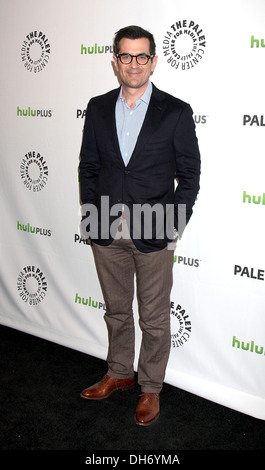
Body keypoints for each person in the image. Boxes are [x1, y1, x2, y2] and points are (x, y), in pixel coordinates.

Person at [79, 25, 200, 426]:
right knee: (116, 310)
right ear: (115, 60)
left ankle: (150, 389)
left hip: (155, 228)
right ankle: (118, 372)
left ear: (153, 61)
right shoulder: (97, 107)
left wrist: (173, 224)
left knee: (153, 316)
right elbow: (89, 167)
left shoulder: (176, 110)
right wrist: (92, 212)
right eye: (126, 56)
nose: (133, 64)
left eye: (141, 56)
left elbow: (190, 175)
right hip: (106, 227)